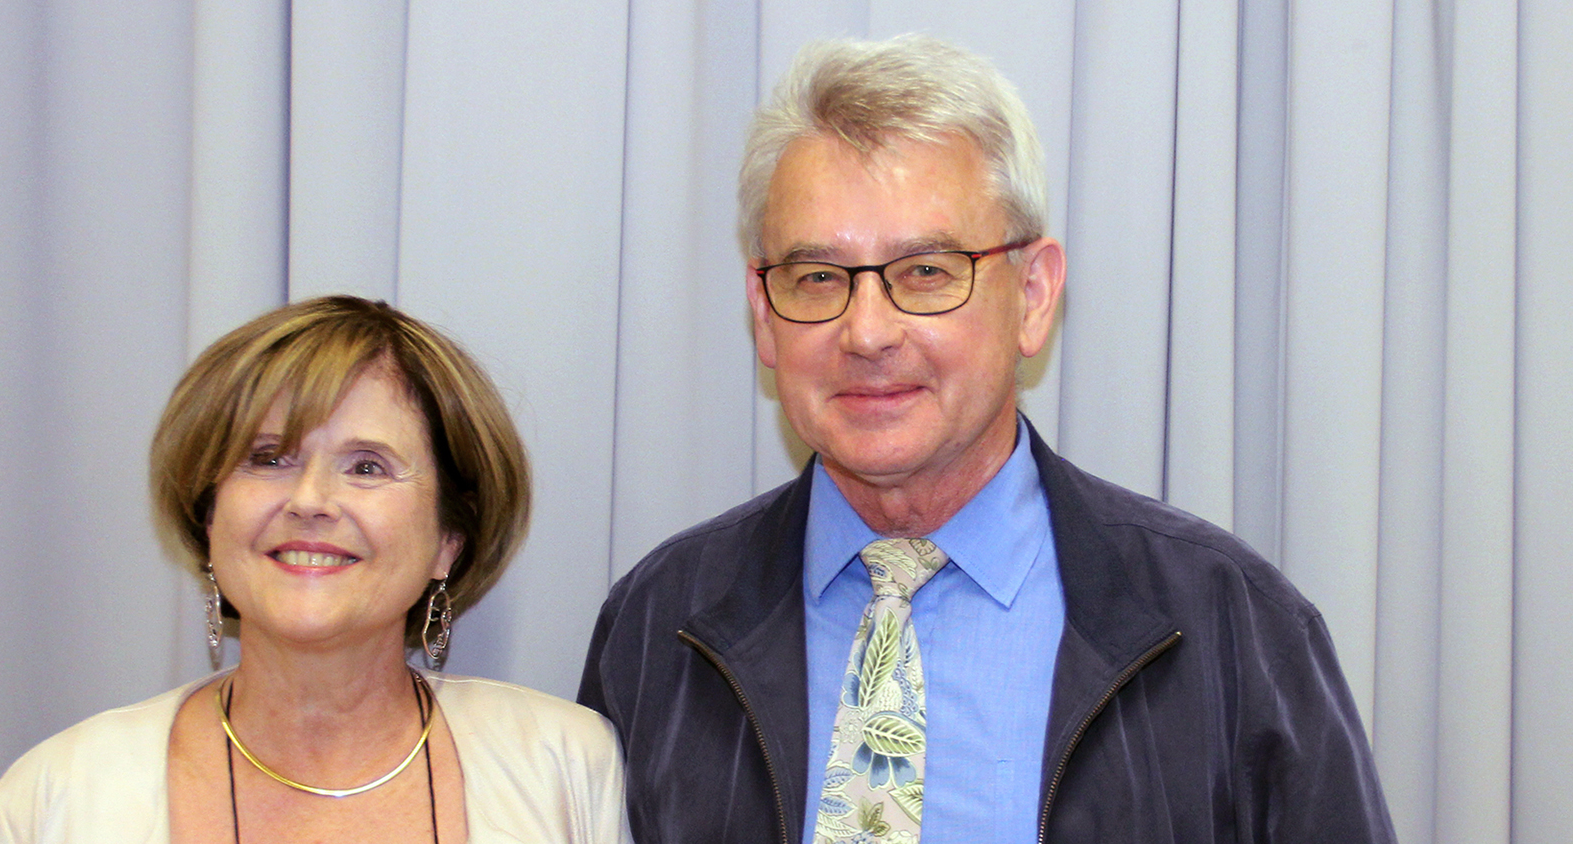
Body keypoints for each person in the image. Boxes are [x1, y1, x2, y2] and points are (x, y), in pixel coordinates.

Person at [578, 35, 1395, 844]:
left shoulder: (1230, 626)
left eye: (927, 271)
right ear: (764, 313)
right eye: (818, 277)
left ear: (1033, 297)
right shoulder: (658, 623)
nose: (866, 332)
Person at [0, 296, 630, 843]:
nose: (309, 501)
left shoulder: (566, 767)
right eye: (268, 459)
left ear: (448, 541)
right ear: (207, 517)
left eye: (367, 467)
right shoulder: (58, 794)